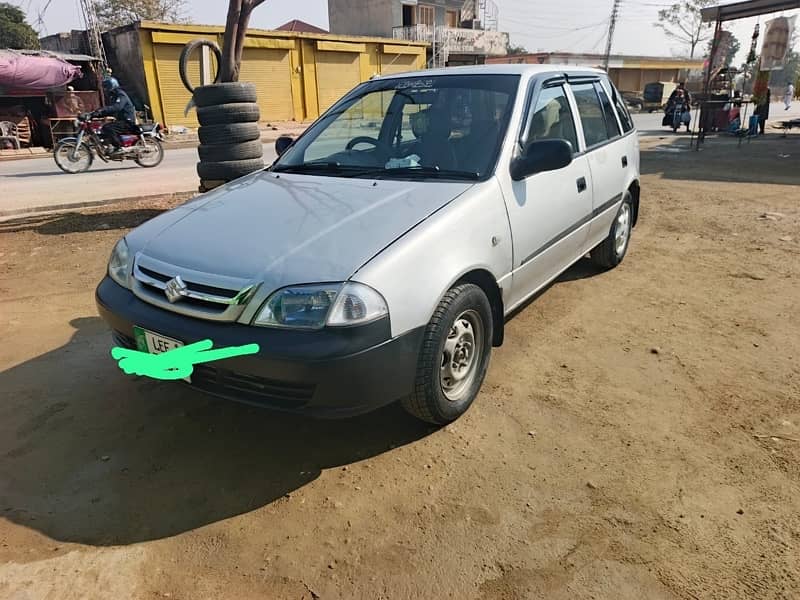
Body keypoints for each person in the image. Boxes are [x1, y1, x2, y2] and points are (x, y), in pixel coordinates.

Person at [91, 77, 138, 154]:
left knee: (108, 127)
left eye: (106, 87)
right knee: (102, 128)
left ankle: (118, 147)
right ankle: (110, 145)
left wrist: (101, 110)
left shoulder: (120, 94)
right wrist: (96, 113)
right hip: (121, 120)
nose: (105, 89)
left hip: (127, 121)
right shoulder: (114, 96)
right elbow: (110, 110)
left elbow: (117, 107)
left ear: (111, 86)